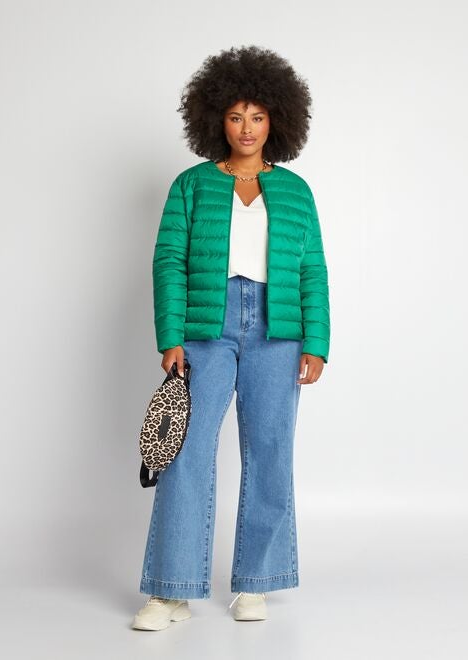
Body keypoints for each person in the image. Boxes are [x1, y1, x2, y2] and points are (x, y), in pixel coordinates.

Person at [132, 45, 330, 630]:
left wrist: (316, 341)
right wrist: (170, 336)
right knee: (185, 452)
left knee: (270, 452)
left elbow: (313, 269)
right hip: (205, 327)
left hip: (278, 329)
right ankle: (170, 590)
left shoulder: (295, 191)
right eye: (236, 115)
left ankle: (257, 583)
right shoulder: (191, 185)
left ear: (277, 121)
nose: (246, 128)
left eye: (258, 116)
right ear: (215, 117)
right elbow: (169, 261)